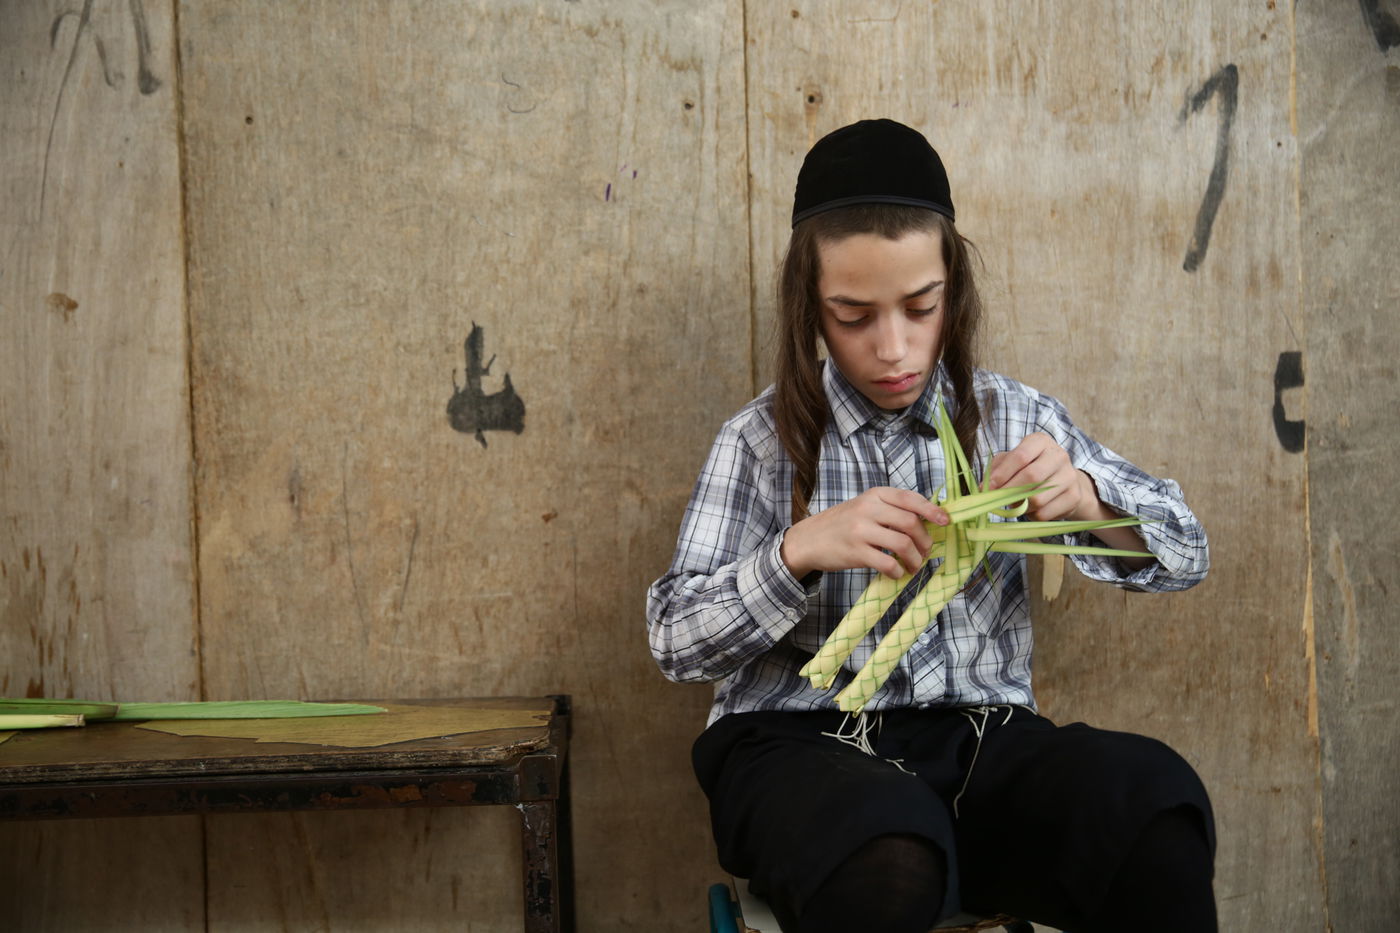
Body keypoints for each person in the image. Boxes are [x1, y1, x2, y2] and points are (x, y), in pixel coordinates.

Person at [646, 119, 1216, 933]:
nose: (894, 348)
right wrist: (799, 551)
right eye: (853, 315)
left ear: (955, 286)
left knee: (1153, 801)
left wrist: (1089, 500)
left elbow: (1186, 551)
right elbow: (671, 638)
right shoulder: (760, 440)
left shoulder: (1013, 416)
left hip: (982, 745)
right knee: (889, 847)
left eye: (921, 307)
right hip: (799, 751)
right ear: (809, 303)